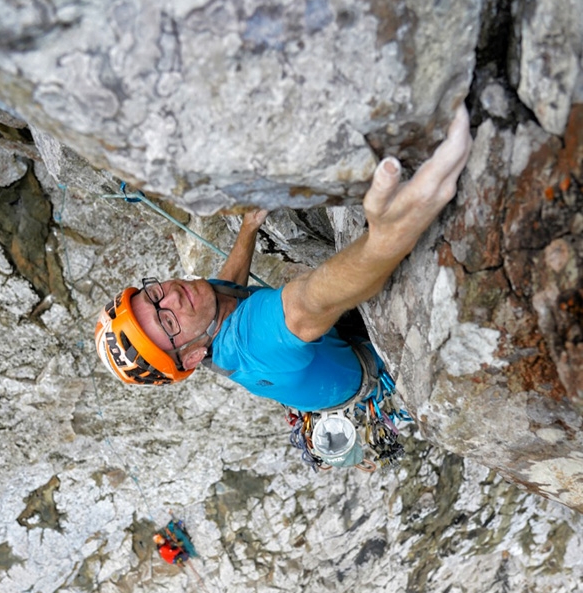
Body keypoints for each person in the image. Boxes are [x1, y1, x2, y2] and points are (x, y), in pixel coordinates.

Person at [95, 105, 472, 411]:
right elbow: (312, 299)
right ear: (192, 356)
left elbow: (226, 285)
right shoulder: (254, 342)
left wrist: (249, 227)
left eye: (154, 295)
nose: (172, 297)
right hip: (370, 369)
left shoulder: (201, 315)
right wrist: (388, 237)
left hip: (322, 365)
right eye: (167, 321)